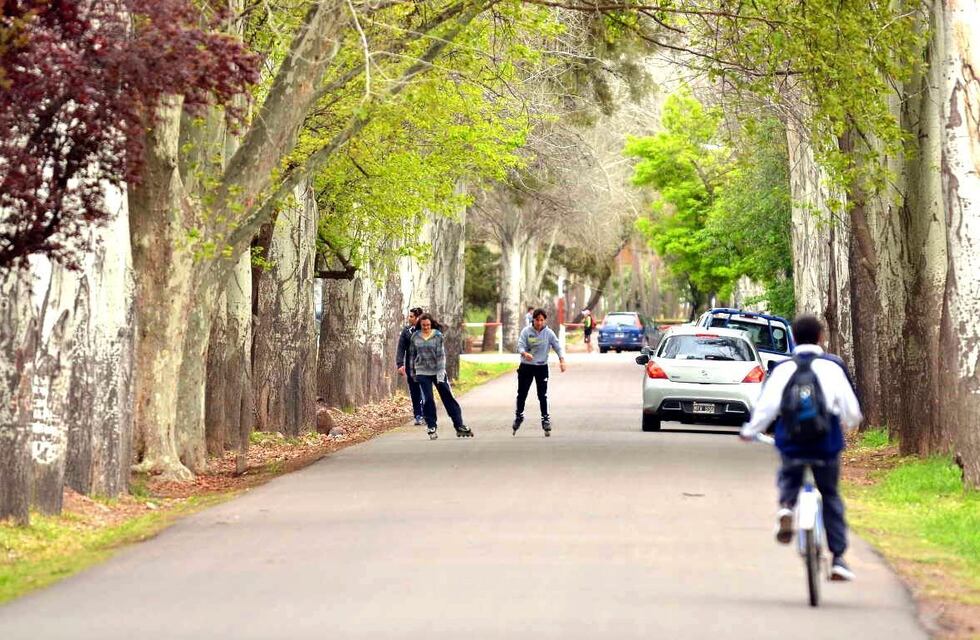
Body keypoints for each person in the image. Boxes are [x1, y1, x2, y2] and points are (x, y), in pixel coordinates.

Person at [740, 314, 863, 581]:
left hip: (792, 440)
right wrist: (850, 424)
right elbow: (852, 412)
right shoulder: (832, 367)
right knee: (829, 495)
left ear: (793, 338)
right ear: (821, 337)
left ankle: (786, 505)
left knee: (789, 473)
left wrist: (750, 432)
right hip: (825, 442)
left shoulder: (784, 369)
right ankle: (839, 559)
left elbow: (767, 407)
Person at [410, 313, 473, 440]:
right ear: (420, 325)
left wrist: (440, 373)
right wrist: (413, 373)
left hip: (437, 370)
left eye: (428, 325)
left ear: (431, 324)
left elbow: (441, 356)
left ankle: (459, 425)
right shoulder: (415, 337)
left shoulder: (438, 336)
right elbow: (412, 356)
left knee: (448, 397)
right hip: (422, 371)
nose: (426, 327)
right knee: (428, 399)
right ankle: (431, 425)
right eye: (423, 325)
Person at [513, 308, 566, 437]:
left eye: (542, 320)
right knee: (522, 393)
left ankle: (545, 419)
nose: (539, 323)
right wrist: (525, 353)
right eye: (537, 320)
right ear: (533, 320)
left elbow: (557, 346)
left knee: (542, 395)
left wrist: (562, 360)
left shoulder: (549, 333)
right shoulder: (526, 332)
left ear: (544, 320)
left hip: (541, 367)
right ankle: (519, 415)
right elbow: (520, 345)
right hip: (526, 366)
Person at [396, 307, 425, 425]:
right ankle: (418, 415)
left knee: (425, 390)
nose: (409, 318)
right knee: (414, 391)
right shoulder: (406, 331)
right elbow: (401, 348)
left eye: (411, 316)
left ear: (418, 318)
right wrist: (400, 364)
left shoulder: (426, 330)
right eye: (410, 316)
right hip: (411, 367)